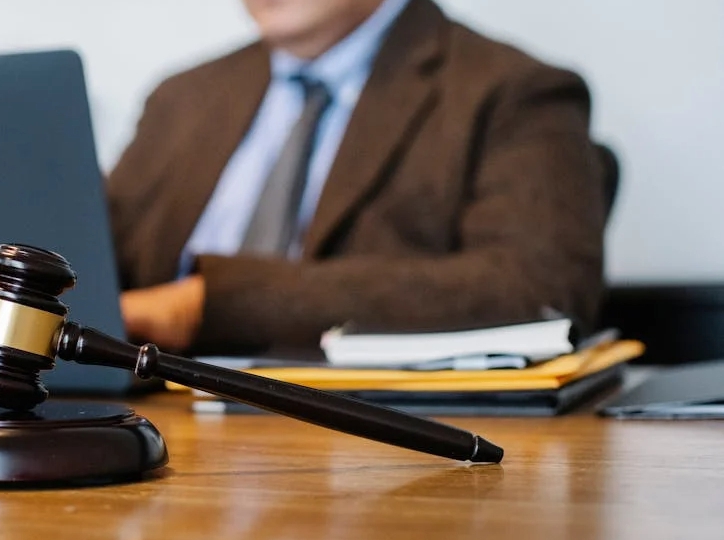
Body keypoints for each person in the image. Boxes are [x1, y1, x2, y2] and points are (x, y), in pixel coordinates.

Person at [108, 0, 611, 356]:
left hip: (372, 442)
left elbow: (537, 287)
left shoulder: (512, 90)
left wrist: (210, 304)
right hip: (149, 420)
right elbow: (93, 260)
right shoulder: (182, 98)